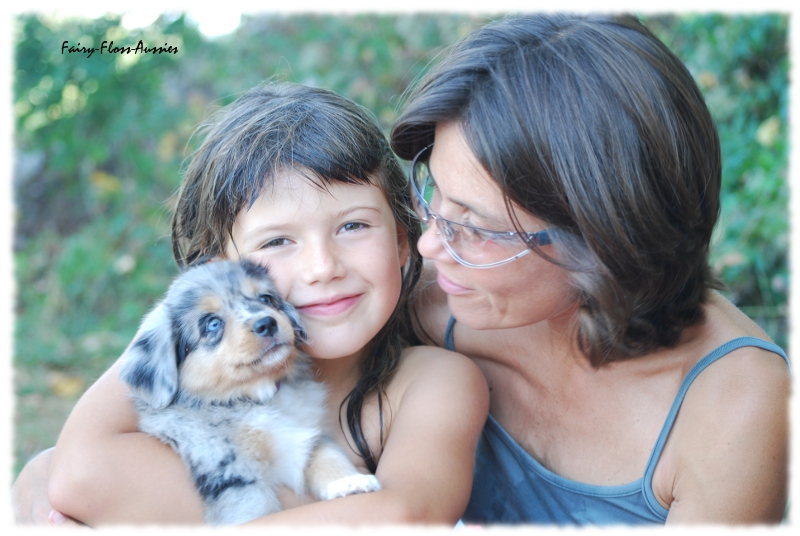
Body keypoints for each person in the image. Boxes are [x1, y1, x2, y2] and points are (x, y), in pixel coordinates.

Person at [11, 82, 489, 525]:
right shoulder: (194, 389)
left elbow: (407, 517)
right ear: (219, 271)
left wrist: (225, 498)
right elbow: (80, 474)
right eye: (278, 241)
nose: (322, 267)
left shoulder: (431, 382)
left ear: (403, 244)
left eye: (352, 226)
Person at [388, 13, 790, 524]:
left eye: (480, 229)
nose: (429, 244)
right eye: (435, 193)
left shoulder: (734, 408)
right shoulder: (432, 297)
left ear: (607, 242)